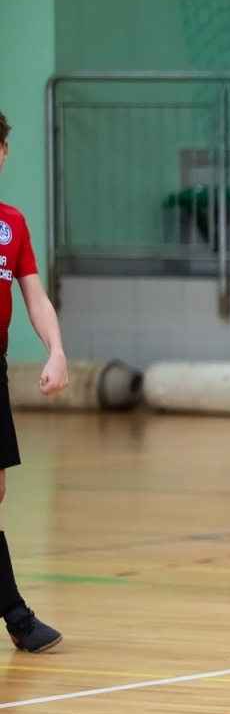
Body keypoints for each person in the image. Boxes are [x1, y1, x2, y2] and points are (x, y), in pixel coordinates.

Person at [0, 110, 70, 651]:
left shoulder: (13, 224)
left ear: (3, 153)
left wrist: (57, 351)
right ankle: (17, 617)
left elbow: (36, 298)